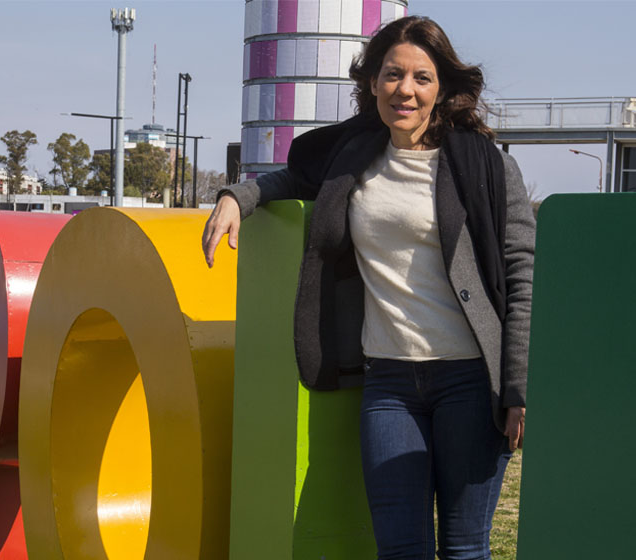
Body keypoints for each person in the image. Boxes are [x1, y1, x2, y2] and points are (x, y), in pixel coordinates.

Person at [202, 16, 534, 560]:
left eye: (422, 78)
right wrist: (239, 196)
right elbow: (291, 179)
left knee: (465, 549)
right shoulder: (351, 157)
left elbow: (522, 274)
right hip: (389, 385)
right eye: (392, 75)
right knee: (399, 550)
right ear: (373, 84)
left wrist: (517, 388)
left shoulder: (490, 168)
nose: (405, 90)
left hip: (471, 382)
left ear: (442, 88)